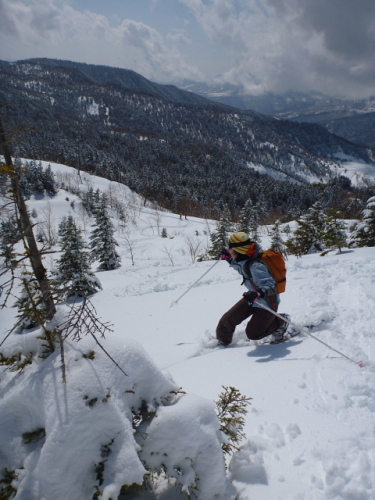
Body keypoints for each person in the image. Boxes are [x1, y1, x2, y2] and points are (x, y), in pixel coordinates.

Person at [216, 232, 289, 346]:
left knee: (253, 334)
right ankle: (222, 345)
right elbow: (242, 267)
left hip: (267, 302)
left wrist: (258, 293)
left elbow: (270, 285)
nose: (228, 250)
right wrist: (229, 259)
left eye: (230, 248)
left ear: (238, 250)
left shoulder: (256, 265)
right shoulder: (244, 258)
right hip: (252, 298)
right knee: (226, 321)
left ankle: (282, 321)